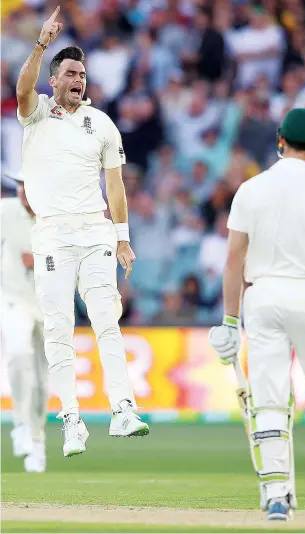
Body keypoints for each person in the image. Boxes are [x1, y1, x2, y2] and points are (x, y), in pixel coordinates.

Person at [208, 108, 305, 521]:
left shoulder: (249, 189)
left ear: (280, 141)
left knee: (269, 400)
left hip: (261, 300)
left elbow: (233, 261)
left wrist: (230, 320)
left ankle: (277, 496)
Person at [15, 6, 149, 458]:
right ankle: (72, 421)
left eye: (83, 74)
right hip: (52, 235)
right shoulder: (36, 115)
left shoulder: (102, 125)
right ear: (54, 79)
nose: (79, 80)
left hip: (96, 233)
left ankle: (123, 409)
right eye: (70, 73)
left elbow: (115, 185)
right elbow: (20, 89)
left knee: (107, 321)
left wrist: (123, 238)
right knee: (59, 330)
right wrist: (41, 43)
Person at [1, 175, 48, 473]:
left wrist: (43, 260)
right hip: (13, 297)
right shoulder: (5, 210)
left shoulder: (60, 218)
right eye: (18, 186)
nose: (21, 192)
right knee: (18, 354)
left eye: (27, 186)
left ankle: (37, 441)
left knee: (42, 382)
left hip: (48, 305)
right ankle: (20, 422)